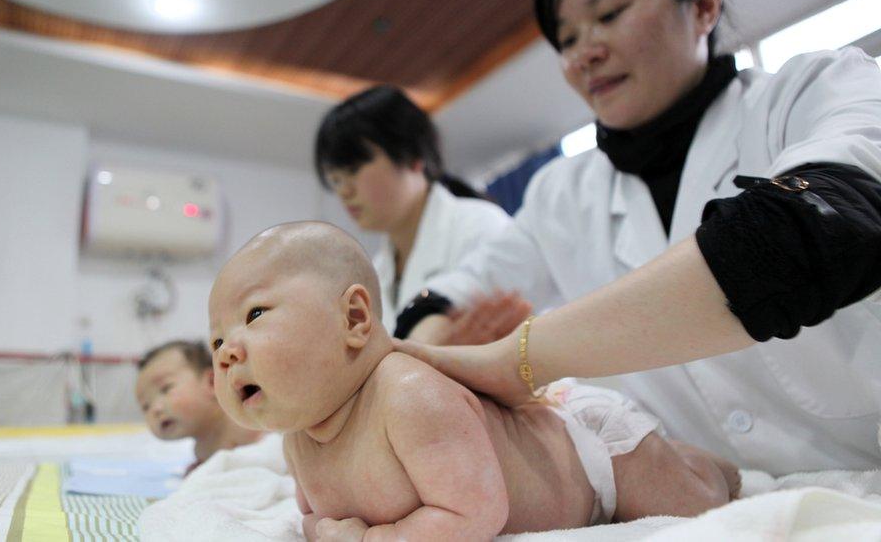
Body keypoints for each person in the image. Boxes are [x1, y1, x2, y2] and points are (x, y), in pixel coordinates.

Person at [395, 0, 881, 476]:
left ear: (703, 8)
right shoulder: (560, 194)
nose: (585, 53)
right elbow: (452, 290)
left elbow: (820, 223)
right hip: (708, 511)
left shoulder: (815, 89)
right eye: (566, 40)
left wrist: (519, 358)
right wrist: (431, 349)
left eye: (609, 14)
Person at [207, 222, 738, 541]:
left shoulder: (407, 396)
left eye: (254, 315)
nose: (227, 352)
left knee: (697, 509)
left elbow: (475, 513)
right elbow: (318, 523)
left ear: (353, 319)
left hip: (593, 451)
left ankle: (708, 466)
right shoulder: (299, 440)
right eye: (214, 343)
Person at [314, 85, 527, 342]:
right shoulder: (377, 271)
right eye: (335, 180)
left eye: (354, 169)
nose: (345, 192)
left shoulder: (481, 227)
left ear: (413, 155)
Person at [135, 340, 263, 474]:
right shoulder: (200, 450)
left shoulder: (244, 421)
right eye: (145, 406)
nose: (155, 409)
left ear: (211, 383)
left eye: (166, 389)